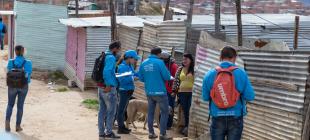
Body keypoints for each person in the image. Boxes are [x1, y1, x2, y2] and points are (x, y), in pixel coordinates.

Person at [202, 46, 255, 140]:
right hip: (236, 116)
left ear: (220, 57)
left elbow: (205, 97)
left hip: (217, 116)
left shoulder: (209, 74)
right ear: (234, 57)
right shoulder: (241, 73)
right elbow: (250, 96)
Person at [139, 47, 172, 140]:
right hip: (160, 92)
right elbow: (167, 76)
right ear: (159, 54)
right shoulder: (160, 63)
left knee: (151, 112)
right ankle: (162, 134)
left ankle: (151, 133)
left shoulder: (144, 63)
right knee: (165, 112)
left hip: (149, 92)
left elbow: (141, 78)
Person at [5, 45, 32, 132]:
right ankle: (17, 126)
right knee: (20, 106)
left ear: (15, 51)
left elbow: (7, 72)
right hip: (23, 86)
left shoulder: (10, 62)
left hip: (12, 86)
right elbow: (28, 75)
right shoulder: (28, 62)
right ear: (23, 51)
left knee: (10, 104)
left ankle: (7, 122)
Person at [98, 41, 121, 139]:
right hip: (109, 88)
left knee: (102, 111)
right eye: (119, 48)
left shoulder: (103, 55)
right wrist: (108, 84)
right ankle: (109, 132)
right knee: (111, 111)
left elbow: (108, 71)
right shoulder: (111, 57)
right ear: (115, 48)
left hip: (100, 86)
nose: (119, 50)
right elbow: (107, 72)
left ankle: (101, 133)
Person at [116, 50, 140, 134]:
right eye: (135, 59)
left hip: (129, 91)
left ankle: (122, 127)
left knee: (124, 110)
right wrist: (133, 79)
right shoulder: (122, 67)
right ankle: (120, 128)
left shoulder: (130, 66)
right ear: (129, 58)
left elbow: (134, 75)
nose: (135, 61)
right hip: (124, 91)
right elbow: (122, 80)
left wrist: (141, 74)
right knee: (121, 110)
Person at [172, 53, 195, 137]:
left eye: (186, 59)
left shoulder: (194, 69)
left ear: (190, 60)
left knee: (190, 110)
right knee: (185, 111)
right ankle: (186, 127)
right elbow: (176, 80)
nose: (184, 61)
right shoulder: (180, 68)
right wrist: (174, 91)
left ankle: (189, 128)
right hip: (181, 93)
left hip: (191, 93)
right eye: (183, 59)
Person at [160, 52, 178, 130]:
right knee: (162, 107)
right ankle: (161, 123)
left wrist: (174, 91)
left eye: (163, 59)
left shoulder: (174, 66)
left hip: (170, 91)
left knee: (170, 108)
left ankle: (168, 124)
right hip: (163, 89)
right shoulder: (164, 65)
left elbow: (176, 79)